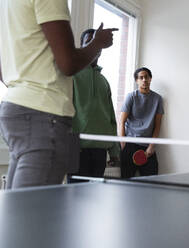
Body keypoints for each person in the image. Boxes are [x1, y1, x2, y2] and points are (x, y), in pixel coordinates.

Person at [0, 0, 117, 189]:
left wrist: (22, 86)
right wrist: (98, 43)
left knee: (17, 209)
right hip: (43, 114)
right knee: (31, 214)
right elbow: (68, 63)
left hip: (15, 109)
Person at [69, 29, 120, 182]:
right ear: (82, 45)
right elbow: (63, 112)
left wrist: (114, 150)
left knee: (94, 199)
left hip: (100, 151)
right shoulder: (71, 76)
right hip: (77, 149)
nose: (94, 46)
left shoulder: (104, 81)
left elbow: (111, 117)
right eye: (89, 42)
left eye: (97, 42)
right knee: (74, 199)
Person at [119, 67, 164, 178]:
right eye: (141, 77)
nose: (144, 80)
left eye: (146, 77)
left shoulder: (158, 99)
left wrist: (151, 147)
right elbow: (121, 122)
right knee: (126, 184)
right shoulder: (131, 97)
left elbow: (157, 126)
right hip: (130, 144)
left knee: (152, 184)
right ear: (137, 81)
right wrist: (123, 145)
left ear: (150, 79)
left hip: (147, 146)